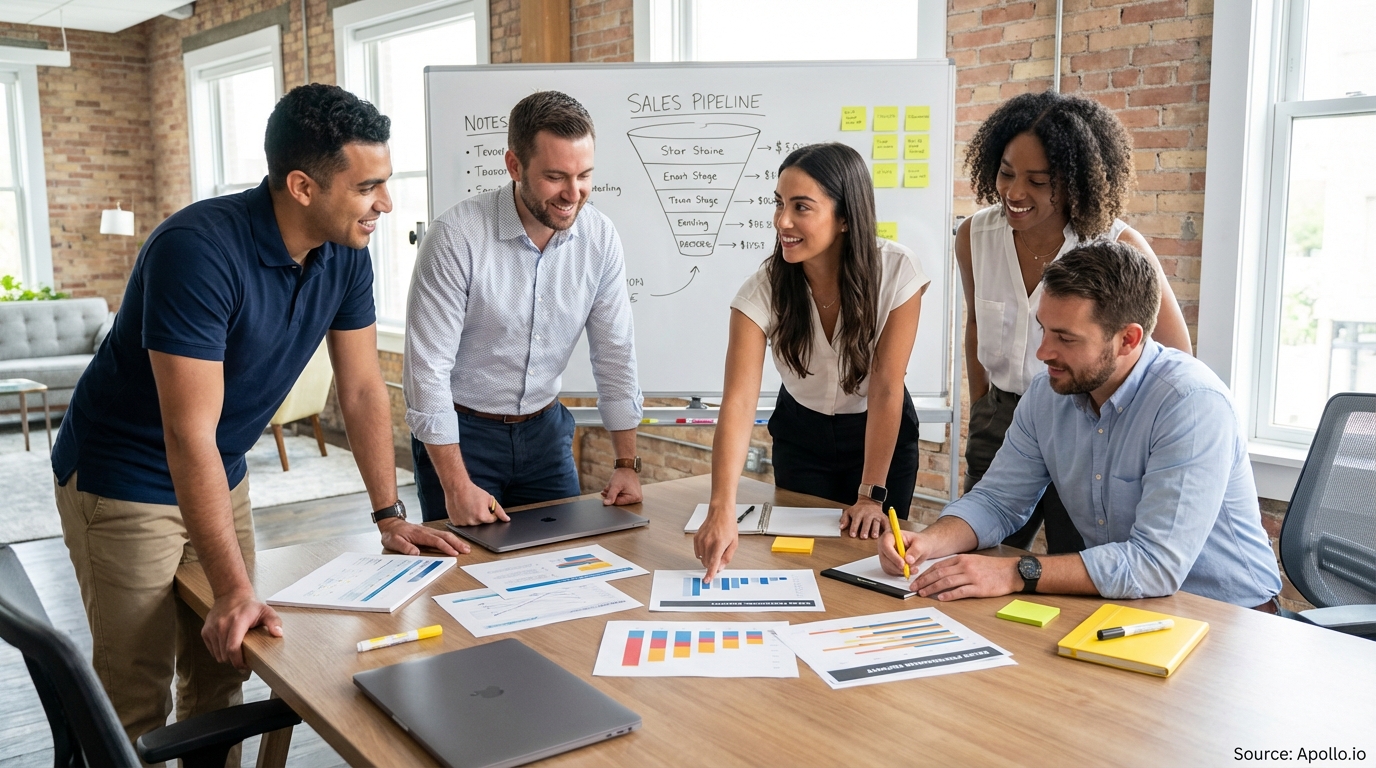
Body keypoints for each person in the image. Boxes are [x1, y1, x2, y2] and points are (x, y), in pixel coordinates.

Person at [50, 84, 465, 755]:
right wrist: (235, 587)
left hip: (222, 466)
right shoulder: (196, 251)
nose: (385, 204)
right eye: (369, 187)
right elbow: (186, 433)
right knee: (136, 695)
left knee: (226, 663)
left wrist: (388, 514)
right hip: (123, 476)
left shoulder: (346, 252)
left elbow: (360, 390)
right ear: (302, 185)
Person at [880, 241, 1282, 610]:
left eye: (1065, 338)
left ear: (1128, 339)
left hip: (1227, 616)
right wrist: (930, 543)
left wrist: (1013, 572)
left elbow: (1154, 564)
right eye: (1043, 328)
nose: (1042, 352)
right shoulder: (1046, 395)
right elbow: (998, 500)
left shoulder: (1191, 405)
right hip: (1125, 603)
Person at [956, 90, 1193, 555]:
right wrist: (984, 406)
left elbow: (1177, 354)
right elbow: (975, 327)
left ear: (1076, 181)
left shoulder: (1117, 245)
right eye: (1006, 173)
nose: (1014, 192)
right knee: (978, 550)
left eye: (1038, 181)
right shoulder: (973, 236)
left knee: (1076, 561)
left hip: (1089, 421)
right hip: (1002, 418)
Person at [405, 91, 644, 525]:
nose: (574, 194)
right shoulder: (456, 238)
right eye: (556, 177)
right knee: (464, 574)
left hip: (546, 434)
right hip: (464, 436)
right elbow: (427, 371)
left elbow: (614, 352)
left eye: (585, 175)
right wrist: (456, 486)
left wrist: (626, 463)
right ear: (514, 166)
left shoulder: (600, 238)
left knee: (564, 566)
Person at [694, 142, 931, 581]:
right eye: (779, 204)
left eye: (801, 207)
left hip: (879, 433)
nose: (783, 221)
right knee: (801, 564)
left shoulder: (897, 271)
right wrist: (721, 508)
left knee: (877, 564)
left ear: (845, 217)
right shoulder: (762, 288)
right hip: (801, 436)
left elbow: (885, 384)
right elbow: (739, 401)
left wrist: (871, 493)